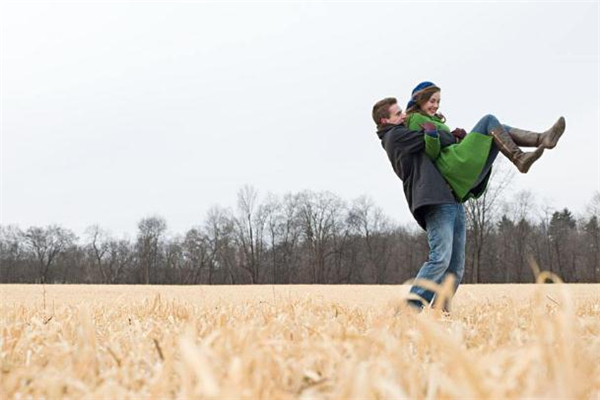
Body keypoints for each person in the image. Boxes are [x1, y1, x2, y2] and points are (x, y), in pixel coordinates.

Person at [372, 97, 466, 310]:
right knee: (440, 260)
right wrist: (451, 136)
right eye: (397, 114)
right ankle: (408, 312)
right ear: (385, 121)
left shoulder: (399, 130)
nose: (403, 115)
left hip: (452, 199)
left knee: (456, 268)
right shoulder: (394, 137)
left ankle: (440, 315)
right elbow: (429, 137)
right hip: (434, 200)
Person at [404, 81, 565, 202]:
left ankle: (541, 139)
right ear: (420, 100)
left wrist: (458, 139)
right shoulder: (415, 118)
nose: (436, 105)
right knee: (489, 120)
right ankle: (521, 156)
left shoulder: (430, 119)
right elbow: (430, 153)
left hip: (461, 174)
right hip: (452, 169)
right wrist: (436, 135)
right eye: (432, 101)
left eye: (438, 101)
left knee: (497, 130)